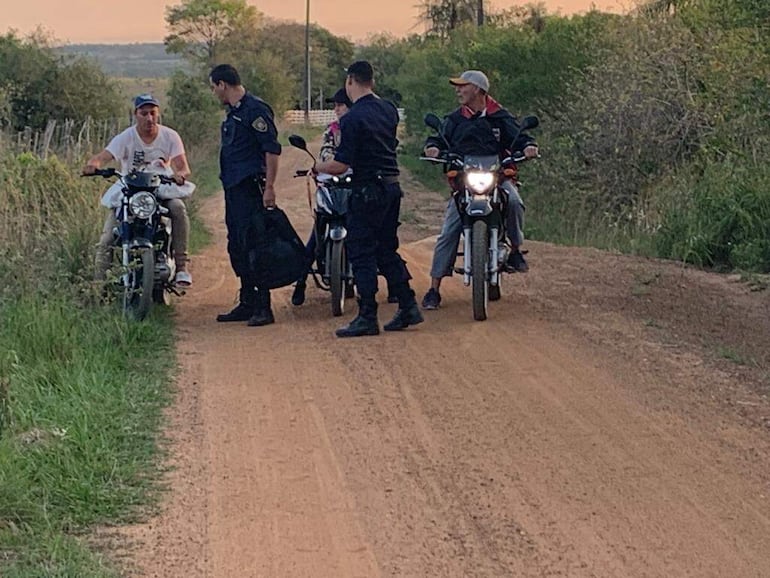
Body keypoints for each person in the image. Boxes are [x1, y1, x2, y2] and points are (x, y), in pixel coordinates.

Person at [314, 61, 423, 337]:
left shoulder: (351, 119)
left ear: (351, 81)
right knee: (386, 249)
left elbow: (341, 164)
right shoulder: (387, 110)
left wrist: (319, 167)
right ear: (371, 81)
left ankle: (367, 315)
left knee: (361, 251)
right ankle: (408, 304)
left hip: (366, 191)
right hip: (391, 186)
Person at [421, 70, 539, 310]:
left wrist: (529, 147)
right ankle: (434, 288)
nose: (458, 90)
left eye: (463, 86)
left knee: (515, 201)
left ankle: (515, 250)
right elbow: (437, 138)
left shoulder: (500, 117)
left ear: (477, 89)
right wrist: (431, 148)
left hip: (498, 178)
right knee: (449, 229)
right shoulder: (455, 119)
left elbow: (520, 137)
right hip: (465, 183)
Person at [84, 94, 193, 286]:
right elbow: (104, 156)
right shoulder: (126, 137)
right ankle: (99, 287)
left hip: (161, 187)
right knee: (107, 237)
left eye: (153, 113)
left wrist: (180, 174)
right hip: (131, 190)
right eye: (144, 113)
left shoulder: (170, 136)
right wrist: (93, 164)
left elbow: (182, 166)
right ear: (136, 115)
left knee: (178, 209)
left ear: (158, 114)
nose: (149, 118)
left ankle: (182, 267)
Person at [209, 64, 282, 327]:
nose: (214, 93)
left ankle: (263, 306)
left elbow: (271, 150)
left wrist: (270, 187)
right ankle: (247, 301)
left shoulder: (255, 110)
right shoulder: (234, 113)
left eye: (214, 87)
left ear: (222, 85)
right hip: (234, 189)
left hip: (252, 188)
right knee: (237, 245)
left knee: (256, 245)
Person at [291, 87, 352, 307]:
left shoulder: (359, 128)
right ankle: (300, 282)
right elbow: (325, 154)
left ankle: (392, 284)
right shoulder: (331, 131)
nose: (336, 109)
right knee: (317, 232)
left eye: (340, 105)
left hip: (355, 186)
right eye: (334, 105)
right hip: (330, 184)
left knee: (373, 233)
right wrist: (318, 168)